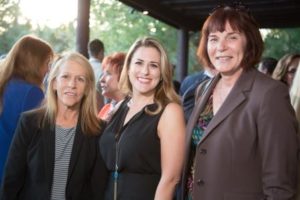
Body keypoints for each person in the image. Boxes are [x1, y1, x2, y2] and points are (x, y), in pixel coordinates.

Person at [179, 4, 299, 200]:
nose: (221, 47)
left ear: (249, 42)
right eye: (214, 39)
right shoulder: (202, 89)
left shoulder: (270, 94)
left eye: (232, 37)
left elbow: (280, 185)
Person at [0, 52, 108, 200]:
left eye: (80, 79)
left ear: (88, 88)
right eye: (65, 77)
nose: (72, 84)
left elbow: (98, 189)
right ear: (54, 82)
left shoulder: (98, 130)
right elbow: (12, 180)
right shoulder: (30, 123)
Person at [99, 37, 186, 200]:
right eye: (139, 63)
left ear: (162, 73)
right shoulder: (120, 107)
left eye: (153, 65)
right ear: (129, 67)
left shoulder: (170, 111)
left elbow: (171, 178)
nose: (145, 71)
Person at [0, 35, 54, 184]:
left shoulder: (4, 85)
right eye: (47, 63)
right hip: (11, 173)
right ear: (35, 62)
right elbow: (36, 142)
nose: (48, 70)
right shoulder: (31, 93)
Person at [98, 52, 126, 120]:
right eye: (103, 74)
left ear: (123, 77)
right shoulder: (106, 109)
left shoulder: (131, 112)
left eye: (108, 74)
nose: (101, 80)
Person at [88, 39, 105, 111]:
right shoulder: (103, 69)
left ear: (89, 51)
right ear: (101, 52)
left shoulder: (82, 67)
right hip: (99, 110)